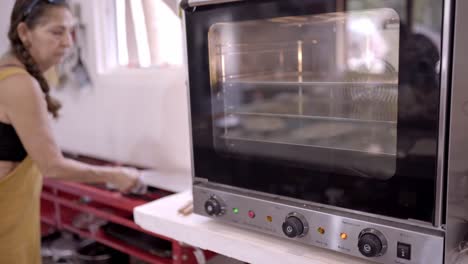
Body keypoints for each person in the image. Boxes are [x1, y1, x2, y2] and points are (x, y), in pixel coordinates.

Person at [0, 1, 141, 263]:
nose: (68, 43)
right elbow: (52, 166)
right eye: (56, 32)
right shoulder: (18, 83)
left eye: (70, 32)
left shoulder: (6, 73)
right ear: (23, 33)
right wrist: (116, 175)